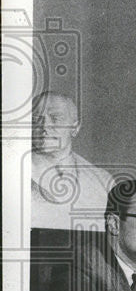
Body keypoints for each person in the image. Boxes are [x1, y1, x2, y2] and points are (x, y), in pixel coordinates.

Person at [31, 92, 114, 230]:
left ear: (75, 127)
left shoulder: (103, 181)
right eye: (36, 119)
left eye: (55, 118)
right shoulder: (13, 173)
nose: (44, 127)